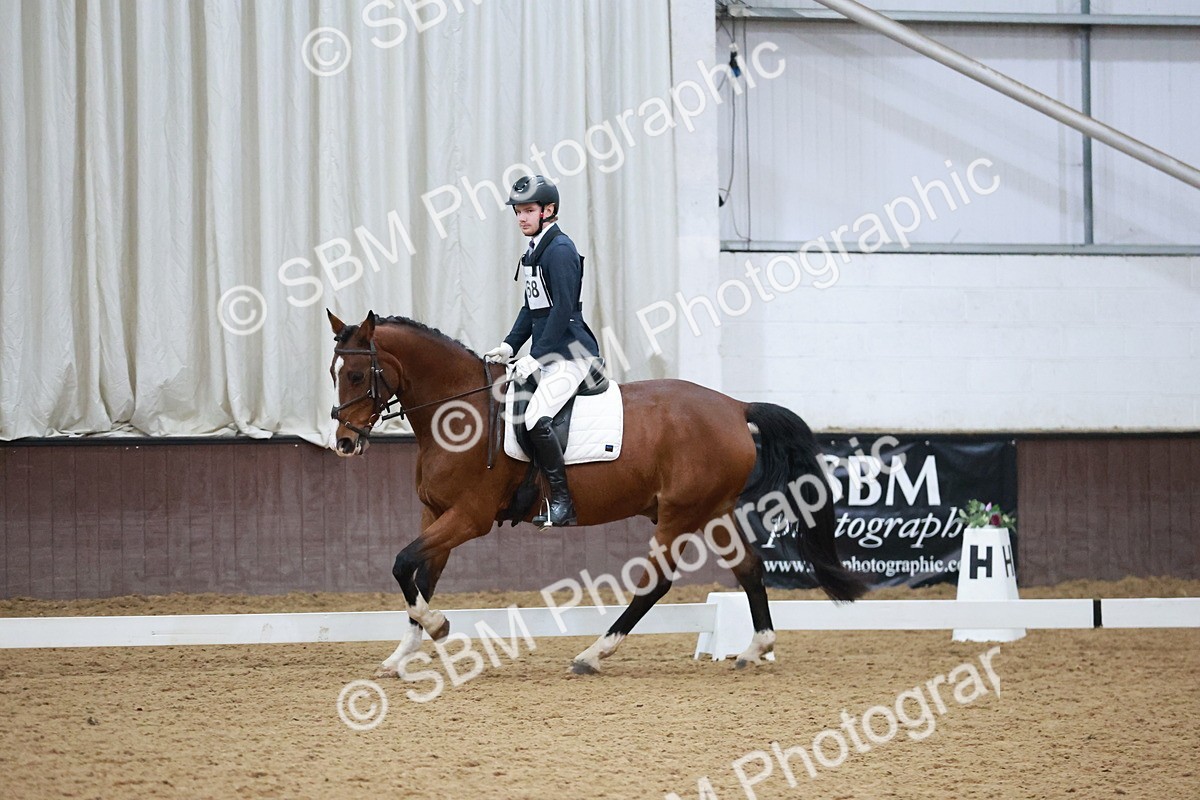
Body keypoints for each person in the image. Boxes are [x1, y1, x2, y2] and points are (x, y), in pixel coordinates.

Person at [483, 175, 600, 528]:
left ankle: (564, 503)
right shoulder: (536, 249)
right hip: (550, 353)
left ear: (549, 210)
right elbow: (532, 308)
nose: (521, 217)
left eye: (528, 210)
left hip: (572, 354)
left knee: (535, 418)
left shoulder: (560, 250)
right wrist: (510, 344)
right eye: (518, 211)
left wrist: (537, 354)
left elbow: (563, 308)